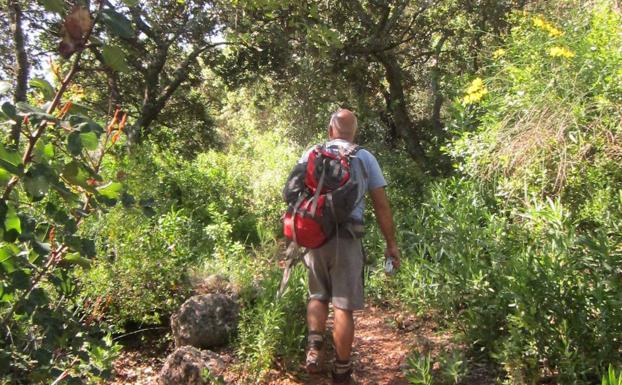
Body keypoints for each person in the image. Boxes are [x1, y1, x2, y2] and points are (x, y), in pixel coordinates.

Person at [300, 108, 400, 384]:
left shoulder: (312, 153)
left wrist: (293, 237)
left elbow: (295, 195)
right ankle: (341, 371)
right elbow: (381, 204)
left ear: (331, 130)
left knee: (317, 295)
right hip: (347, 238)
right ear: (353, 132)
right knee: (343, 306)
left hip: (316, 237)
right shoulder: (364, 157)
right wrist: (391, 244)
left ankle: (313, 349)